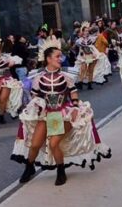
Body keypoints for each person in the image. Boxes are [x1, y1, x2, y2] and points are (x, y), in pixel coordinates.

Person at [12, 46, 111, 186]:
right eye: (57, 56)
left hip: (63, 113)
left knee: (53, 143)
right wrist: (37, 103)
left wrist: (76, 106)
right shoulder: (38, 77)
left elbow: (73, 92)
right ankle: (29, 167)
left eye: (61, 56)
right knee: (34, 144)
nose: (61, 59)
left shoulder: (66, 75)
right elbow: (35, 95)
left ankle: (60, 171)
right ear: (48, 59)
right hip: (46, 114)